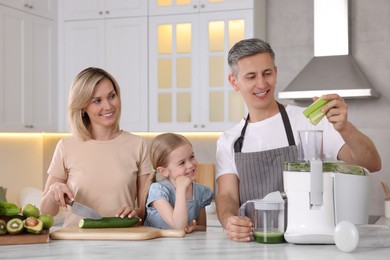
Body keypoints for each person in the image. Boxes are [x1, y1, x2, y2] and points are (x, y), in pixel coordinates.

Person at [215, 38, 382, 242]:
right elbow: (227, 196)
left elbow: (372, 163)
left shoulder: (309, 121)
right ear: (234, 82)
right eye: (251, 76)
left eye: (267, 73)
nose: (262, 83)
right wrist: (229, 219)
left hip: (310, 242)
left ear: (275, 72)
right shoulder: (229, 140)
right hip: (256, 243)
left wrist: (345, 128)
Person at [40, 67, 152, 226]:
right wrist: (53, 193)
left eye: (112, 96)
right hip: (76, 244)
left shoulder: (138, 145)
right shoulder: (66, 146)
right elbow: (45, 212)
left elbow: (147, 210)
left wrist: (135, 212)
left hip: (126, 240)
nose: (108, 106)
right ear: (83, 106)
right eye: (97, 100)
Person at [143, 133, 213, 233]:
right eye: (182, 163)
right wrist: (181, 189)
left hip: (186, 246)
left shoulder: (200, 192)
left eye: (192, 157)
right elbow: (178, 225)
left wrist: (193, 228)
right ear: (164, 171)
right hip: (157, 246)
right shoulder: (158, 191)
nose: (190, 165)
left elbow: (202, 227)